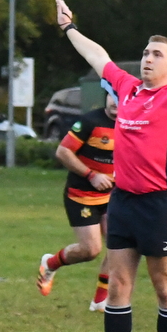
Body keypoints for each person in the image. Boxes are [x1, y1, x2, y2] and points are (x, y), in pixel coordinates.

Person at [56, 0, 167, 332]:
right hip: (122, 201)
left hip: (160, 204)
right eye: (145, 53)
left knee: (165, 286)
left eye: (157, 55)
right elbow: (97, 56)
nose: (147, 59)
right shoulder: (126, 89)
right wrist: (69, 27)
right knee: (119, 285)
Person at [37, 94, 117, 311]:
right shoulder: (90, 121)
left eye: (121, 97)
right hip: (81, 195)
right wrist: (92, 175)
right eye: (112, 96)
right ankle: (50, 263)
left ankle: (100, 300)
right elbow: (63, 151)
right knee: (90, 250)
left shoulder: (132, 125)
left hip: (113, 195)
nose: (115, 102)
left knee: (119, 245)